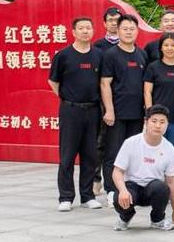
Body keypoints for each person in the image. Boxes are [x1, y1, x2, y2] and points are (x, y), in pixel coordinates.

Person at [49, 17, 104, 211]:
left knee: (90, 154)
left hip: (93, 110)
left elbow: (103, 82)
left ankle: (87, 196)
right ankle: (65, 197)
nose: (85, 31)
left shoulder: (98, 55)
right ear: (73, 32)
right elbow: (53, 82)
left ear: (93, 30)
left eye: (88, 27)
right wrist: (67, 98)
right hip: (70, 110)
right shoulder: (63, 55)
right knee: (67, 154)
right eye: (81, 28)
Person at [101, 15, 149, 206]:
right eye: (125, 29)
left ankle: (130, 188)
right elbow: (105, 83)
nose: (129, 32)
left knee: (133, 153)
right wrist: (109, 110)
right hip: (117, 113)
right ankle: (111, 190)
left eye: (132, 29)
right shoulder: (111, 55)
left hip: (136, 113)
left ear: (137, 31)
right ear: (118, 30)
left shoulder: (142, 54)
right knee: (113, 152)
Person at [111, 105, 174, 231]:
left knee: (162, 188)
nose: (158, 125)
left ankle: (157, 220)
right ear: (146, 122)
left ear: (167, 124)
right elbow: (117, 171)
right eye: (154, 121)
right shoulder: (131, 143)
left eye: (162, 122)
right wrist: (122, 190)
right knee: (118, 197)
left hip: (152, 190)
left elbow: (171, 181)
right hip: (131, 188)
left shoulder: (170, 149)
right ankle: (125, 217)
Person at [142, 33, 174, 194]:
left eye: (173, 45)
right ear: (161, 48)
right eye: (166, 45)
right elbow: (147, 91)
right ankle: (153, 181)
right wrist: (150, 114)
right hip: (157, 118)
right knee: (154, 148)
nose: (169, 48)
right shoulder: (153, 67)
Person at [92, 6, 122, 194]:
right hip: (102, 101)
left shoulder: (130, 44)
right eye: (110, 20)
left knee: (121, 141)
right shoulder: (98, 46)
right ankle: (96, 178)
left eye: (117, 20)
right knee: (100, 141)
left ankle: (120, 179)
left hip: (123, 100)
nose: (114, 23)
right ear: (104, 23)